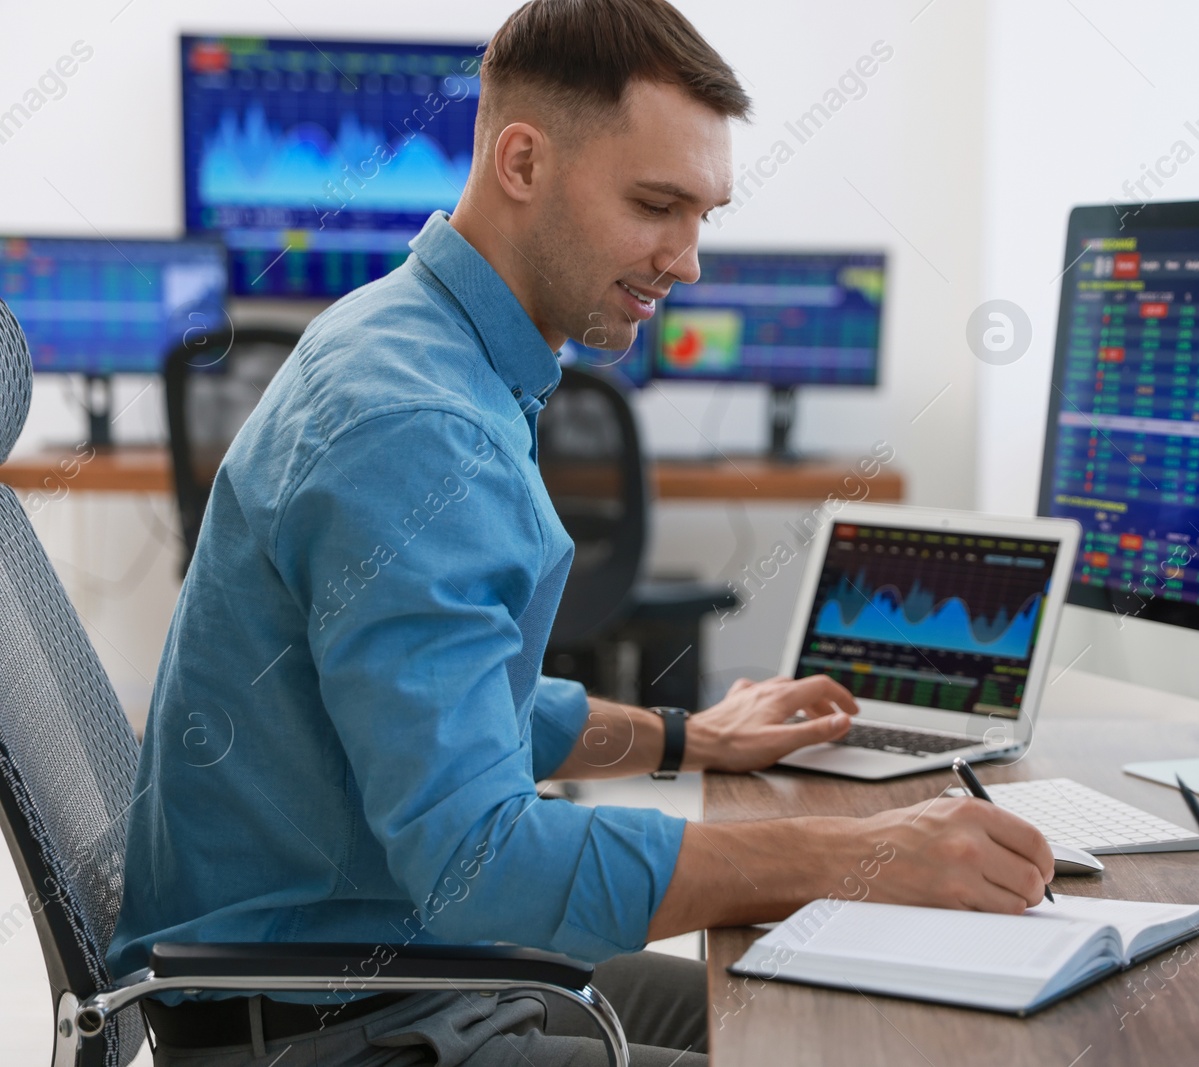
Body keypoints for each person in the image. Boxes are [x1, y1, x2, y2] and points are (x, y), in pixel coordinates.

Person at [109, 2, 1054, 1064]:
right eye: (657, 205)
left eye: (703, 212)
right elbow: (483, 861)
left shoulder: (417, 344)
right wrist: (860, 850)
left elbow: (465, 707)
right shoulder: (416, 424)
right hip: (342, 1025)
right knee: (847, 1036)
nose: (687, 260)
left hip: (380, 972)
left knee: (836, 1013)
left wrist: (686, 737)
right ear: (521, 160)